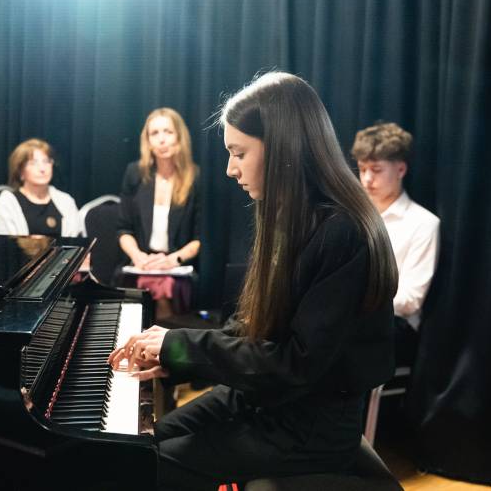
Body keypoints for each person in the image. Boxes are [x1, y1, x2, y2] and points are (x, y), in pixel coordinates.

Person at [108, 72, 398, 490]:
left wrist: (180, 345)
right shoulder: (287, 214)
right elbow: (254, 326)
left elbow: (295, 363)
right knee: (132, 449)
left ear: (282, 147)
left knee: (146, 469)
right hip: (264, 400)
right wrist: (174, 355)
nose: (230, 169)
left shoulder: (343, 232)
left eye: (238, 153)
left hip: (308, 428)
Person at [352, 122, 440, 366]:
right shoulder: (351, 217)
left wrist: (356, 302)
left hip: (394, 326)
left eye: (376, 170)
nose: (367, 179)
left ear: (400, 169)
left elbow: (411, 299)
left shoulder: (423, 223)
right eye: (362, 169)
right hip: (352, 317)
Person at [116, 108, 201, 321]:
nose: (162, 139)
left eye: (168, 132)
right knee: (141, 284)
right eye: (155, 133)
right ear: (148, 141)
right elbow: (123, 229)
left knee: (165, 286)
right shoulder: (134, 173)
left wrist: (172, 259)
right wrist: (138, 256)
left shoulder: (194, 177)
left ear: (179, 137)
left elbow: (199, 238)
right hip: (140, 263)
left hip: (176, 265)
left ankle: (162, 336)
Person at [0, 138, 80, 238]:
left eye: (46, 161)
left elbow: (76, 243)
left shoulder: (66, 201)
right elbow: (4, 243)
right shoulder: (8, 202)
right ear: (20, 171)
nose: (42, 169)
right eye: (33, 163)